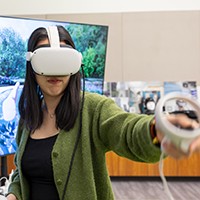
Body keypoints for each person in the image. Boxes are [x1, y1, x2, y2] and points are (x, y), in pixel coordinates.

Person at [6, 25, 200, 200]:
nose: (55, 72)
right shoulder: (28, 118)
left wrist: (156, 130)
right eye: (47, 61)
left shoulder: (93, 109)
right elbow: (20, 171)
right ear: (32, 66)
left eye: (63, 61)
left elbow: (126, 130)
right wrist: (13, 194)